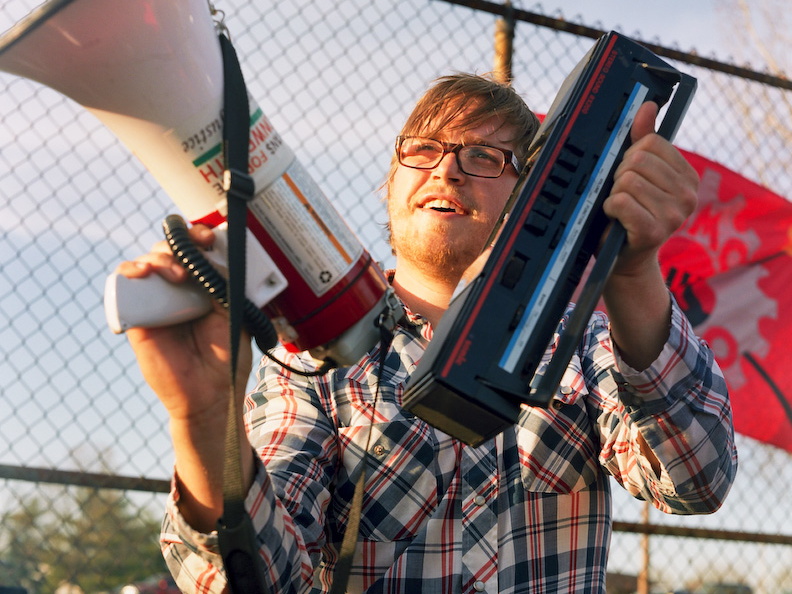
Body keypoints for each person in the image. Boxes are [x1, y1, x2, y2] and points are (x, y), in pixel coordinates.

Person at [117, 73, 737, 593]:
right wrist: (204, 417)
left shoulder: (584, 344)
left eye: (485, 157)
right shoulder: (311, 353)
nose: (448, 170)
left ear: (532, 195)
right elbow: (263, 579)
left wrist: (630, 272)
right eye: (424, 150)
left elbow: (696, 480)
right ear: (391, 186)